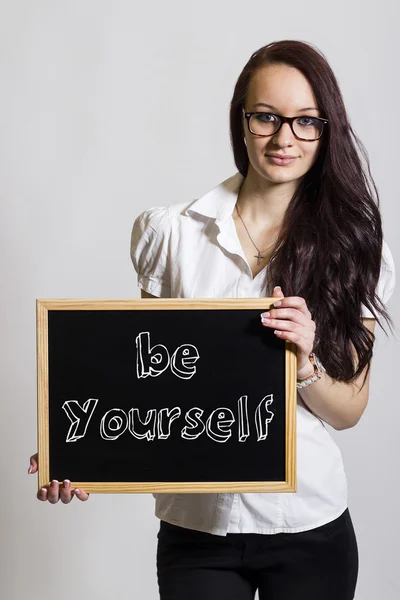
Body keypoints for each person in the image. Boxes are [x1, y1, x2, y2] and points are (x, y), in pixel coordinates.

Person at [28, 39, 396, 600]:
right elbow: (149, 380)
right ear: (241, 120)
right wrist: (75, 447)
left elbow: (349, 410)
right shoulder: (171, 233)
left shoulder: (357, 249)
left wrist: (304, 364)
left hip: (308, 525)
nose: (283, 138)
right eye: (266, 117)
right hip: (196, 527)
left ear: (327, 130)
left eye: (305, 122)